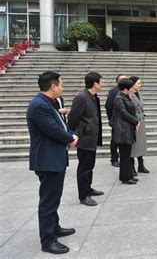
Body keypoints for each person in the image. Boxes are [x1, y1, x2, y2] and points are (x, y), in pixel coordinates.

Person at [27, 71, 79, 254]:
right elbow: (52, 130)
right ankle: (48, 240)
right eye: (61, 85)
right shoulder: (39, 106)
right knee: (48, 201)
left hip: (54, 157)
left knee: (54, 197)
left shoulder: (48, 103)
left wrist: (71, 135)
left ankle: (54, 227)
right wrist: (70, 138)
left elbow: (60, 125)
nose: (62, 88)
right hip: (47, 159)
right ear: (53, 86)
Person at [67, 72, 104, 207]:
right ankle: (83, 195)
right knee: (84, 167)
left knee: (90, 166)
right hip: (84, 138)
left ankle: (88, 188)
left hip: (91, 138)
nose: (102, 84)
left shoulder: (92, 97)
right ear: (95, 83)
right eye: (101, 82)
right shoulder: (81, 97)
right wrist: (72, 136)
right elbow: (72, 118)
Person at [111, 78, 140, 184]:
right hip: (123, 130)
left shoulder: (125, 97)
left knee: (127, 155)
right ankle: (125, 177)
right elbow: (123, 113)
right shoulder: (119, 98)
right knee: (124, 156)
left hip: (128, 128)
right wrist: (136, 121)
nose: (133, 89)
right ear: (126, 88)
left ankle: (128, 175)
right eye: (131, 87)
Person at [105, 74, 127, 167]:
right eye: (122, 79)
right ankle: (114, 158)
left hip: (126, 120)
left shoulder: (127, 90)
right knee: (115, 140)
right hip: (116, 120)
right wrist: (112, 119)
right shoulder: (113, 91)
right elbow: (108, 106)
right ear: (117, 81)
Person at [129, 76, 149, 175]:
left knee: (141, 144)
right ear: (132, 84)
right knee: (134, 146)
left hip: (141, 123)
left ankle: (141, 165)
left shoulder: (139, 93)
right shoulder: (129, 94)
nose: (140, 85)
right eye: (138, 83)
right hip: (133, 123)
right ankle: (132, 167)